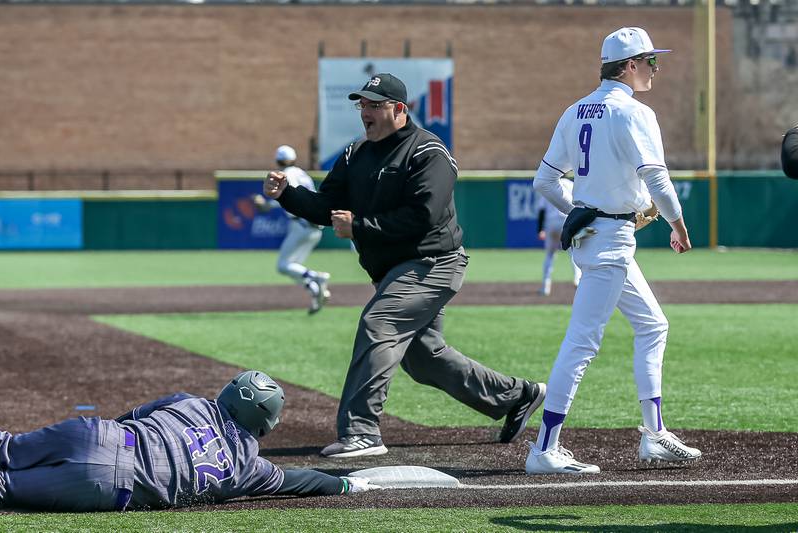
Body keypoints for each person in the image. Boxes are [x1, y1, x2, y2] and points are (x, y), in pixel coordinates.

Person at [263, 73, 545, 458]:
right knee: (424, 359)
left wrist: (359, 225)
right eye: (361, 104)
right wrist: (287, 195)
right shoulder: (355, 154)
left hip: (433, 263)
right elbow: (325, 205)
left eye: (374, 104)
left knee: (379, 323)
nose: (365, 111)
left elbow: (424, 216)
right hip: (394, 272)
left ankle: (361, 431)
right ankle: (517, 396)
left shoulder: (428, 152)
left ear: (398, 109)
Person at [526, 27, 702, 475]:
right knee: (581, 342)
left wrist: (584, 210)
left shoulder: (575, 111)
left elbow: (545, 182)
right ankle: (544, 448)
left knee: (653, 324)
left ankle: (655, 434)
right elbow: (658, 180)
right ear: (629, 65)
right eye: (650, 61)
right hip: (610, 242)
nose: (654, 69)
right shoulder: (634, 112)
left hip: (598, 236)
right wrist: (678, 226)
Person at [0, 370, 379, 511]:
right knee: (5, 489)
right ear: (264, 423)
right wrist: (344, 483)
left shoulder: (189, 401)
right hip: (105, 485)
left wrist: (101, 438)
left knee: (8, 447)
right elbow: (300, 481)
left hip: (96, 434)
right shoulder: (249, 469)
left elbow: (130, 417)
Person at [253, 145, 330, 314]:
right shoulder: (302, 173)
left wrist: (266, 204)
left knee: (283, 265)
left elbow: (289, 193)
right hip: (314, 226)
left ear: (278, 161)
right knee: (294, 266)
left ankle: (316, 277)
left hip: (302, 225)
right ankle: (315, 291)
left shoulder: (288, 174)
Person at [534, 177, 582, 296]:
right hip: (567, 221)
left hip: (551, 223)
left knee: (550, 254)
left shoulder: (548, 184)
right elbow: (579, 205)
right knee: (573, 252)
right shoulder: (571, 185)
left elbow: (541, 210)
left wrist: (540, 229)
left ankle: (545, 287)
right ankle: (577, 279)